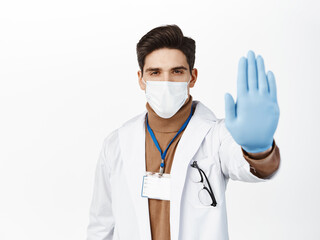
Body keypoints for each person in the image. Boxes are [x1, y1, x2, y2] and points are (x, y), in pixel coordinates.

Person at [86, 24, 281, 240]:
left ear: (193, 77)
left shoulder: (216, 136)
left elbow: (249, 166)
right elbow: (101, 225)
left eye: (177, 71)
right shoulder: (117, 144)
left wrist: (259, 150)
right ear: (141, 79)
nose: (166, 82)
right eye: (155, 72)